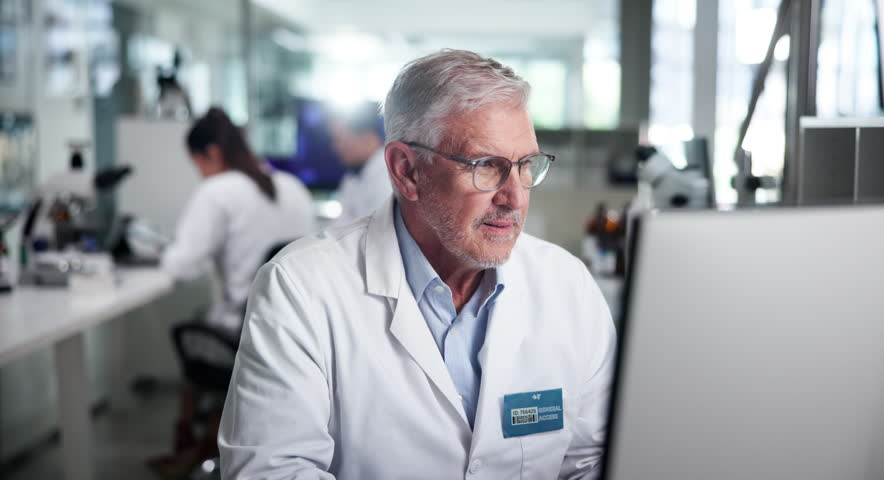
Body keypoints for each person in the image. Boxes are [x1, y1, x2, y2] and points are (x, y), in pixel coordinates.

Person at [219, 50, 616, 479]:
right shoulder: (299, 289)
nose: (514, 197)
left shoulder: (567, 285)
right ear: (406, 171)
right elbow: (270, 471)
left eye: (526, 166)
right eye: (486, 167)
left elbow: (594, 460)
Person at [150, 106, 316, 476]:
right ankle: (201, 443)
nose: (200, 175)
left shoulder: (218, 191)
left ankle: (194, 445)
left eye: (198, 165)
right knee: (205, 320)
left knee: (199, 326)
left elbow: (180, 266)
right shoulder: (292, 186)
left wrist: (166, 251)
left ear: (211, 153)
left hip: (242, 330)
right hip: (295, 327)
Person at [328, 101, 393, 225]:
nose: (335, 147)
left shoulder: (389, 177)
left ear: (367, 138)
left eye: (339, 139)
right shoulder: (351, 178)